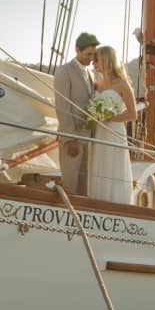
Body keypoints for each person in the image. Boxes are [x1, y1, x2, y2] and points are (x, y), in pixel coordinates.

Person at [89, 45, 136, 204]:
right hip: (99, 132)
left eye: (96, 60)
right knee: (100, 165)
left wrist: (110, 118)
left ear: (106, 60)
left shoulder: (122, 84)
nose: (93, 63)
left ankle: (117, 203)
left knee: (113, 167)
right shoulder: (96, 84)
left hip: (115, 132)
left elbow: (133, 114)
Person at [54, 33, 99, 195]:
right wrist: (70, 139)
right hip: (72, 139)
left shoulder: (91, 73)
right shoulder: (64, 71)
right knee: (71, 184)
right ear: (77, 50)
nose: (91, 58)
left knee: (84, 186)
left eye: (93, 55)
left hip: (88, 138)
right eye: (88, 54)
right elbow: (62, 106)